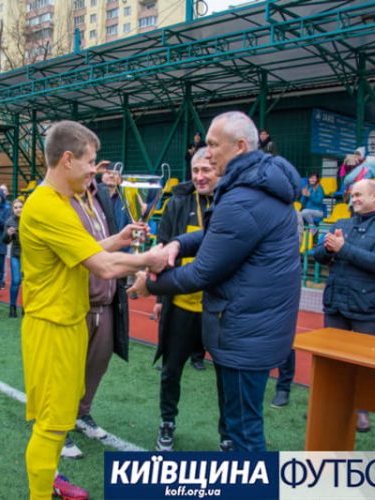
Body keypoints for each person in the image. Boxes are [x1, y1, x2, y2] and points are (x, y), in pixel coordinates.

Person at [129, 111, 301, 453]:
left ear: (240, 147)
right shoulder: (256, 186)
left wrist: (150, 285)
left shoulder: (244, 197)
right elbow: (218, 234)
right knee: (242, 425)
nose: (206, 153)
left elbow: (202, 272)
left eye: (212, 144)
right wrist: (179, 244)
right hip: (255, 324)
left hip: (245, 329)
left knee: (243, 432)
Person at [20, 120, 168, 499]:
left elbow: (83, 251)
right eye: (91, 161)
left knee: (62, 416)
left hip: (69, 321)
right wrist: (149, 259)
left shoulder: (61, 201)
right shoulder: (46, 205)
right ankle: (40, 493)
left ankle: (49, 480)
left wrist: (118, 239)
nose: (94, 170)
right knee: (52, 424)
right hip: (52, 327)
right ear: (68, 159)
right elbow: (101, 267)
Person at [62, 170, 138, 459]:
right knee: (67, 369)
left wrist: (127, 242)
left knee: (96, 365)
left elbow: (109, 242)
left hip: (106, 300)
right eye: (90, 160)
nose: (95, 169)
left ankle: (82, 413)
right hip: (76, 302)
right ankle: (59, 425)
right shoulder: (61, 198)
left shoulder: (101, 196)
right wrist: (143, 262)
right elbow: (80, 252)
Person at [313, 179, 375, 432]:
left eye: (360, 195)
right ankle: (328, 404)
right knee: (331, 361)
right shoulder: (342, 224)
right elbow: (318, 255)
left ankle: (362, 411)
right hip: (335, 301)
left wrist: (343, 248)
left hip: (364, 305)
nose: (355, 199)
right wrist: (328, 249)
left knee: (362, 362)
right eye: (353, 195)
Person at [151, 147, 218, 451]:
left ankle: (228, 434)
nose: (200, 176)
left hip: (217, 308)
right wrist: (160, 297)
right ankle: (167, 422)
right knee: (171, 370)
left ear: (219, 170)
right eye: (195, 170)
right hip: (180, 305)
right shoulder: (177, 202)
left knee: (226, 376)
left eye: (207, 170)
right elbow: (163, 247)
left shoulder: (230, 202)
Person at [2, 198, 23, 317]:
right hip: (16, 255)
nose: (18, 209)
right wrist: (8, 234)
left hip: (29, 257)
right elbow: (5, 241)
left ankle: (26, 307)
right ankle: (13, 306)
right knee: (16, 281)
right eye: (16, 207)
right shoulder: (9, 221)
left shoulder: (29, 219)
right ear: (13, 209)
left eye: (20, 207)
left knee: (28, 283)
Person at [100, 166, 128, 232]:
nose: (111, 176)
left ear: (120, 180)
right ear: (102, 177)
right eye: (108, 173)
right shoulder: (92, 196)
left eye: (115, 173)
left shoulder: (125, 200)